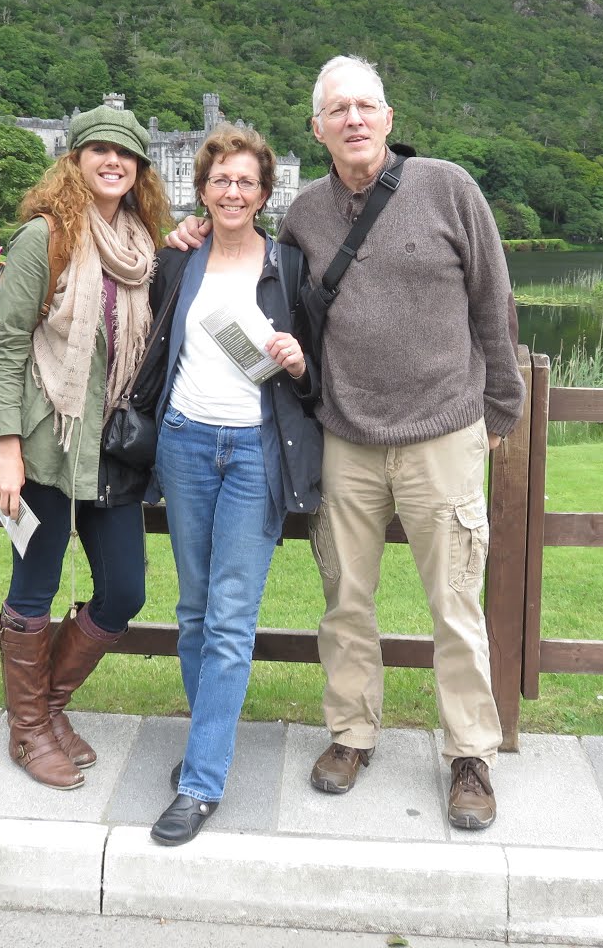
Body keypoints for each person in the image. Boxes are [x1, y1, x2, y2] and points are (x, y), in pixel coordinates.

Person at [168, 55, 525, 830]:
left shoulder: (447, 188)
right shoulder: (305, 215)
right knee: (345, 600)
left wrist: (500, 411)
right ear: (319, 128)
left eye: (366, 106)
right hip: (346, 436)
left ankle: (470, 755)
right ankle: (352, 734)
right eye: (338, 110)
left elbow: (494, 302)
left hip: (442, 429)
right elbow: (253, 260)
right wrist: (191, 231)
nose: (354, 119)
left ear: (388, 119)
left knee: (455, 604)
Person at [0, 102, 172, 790]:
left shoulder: (143, 246)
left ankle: (48, 709)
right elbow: (7, 345)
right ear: (76, 159)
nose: (113, 162)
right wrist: (7, 450)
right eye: (100, 150)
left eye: (127, 155)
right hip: (45, 444)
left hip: (111, 450)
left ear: (139, 169)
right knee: (34, 587)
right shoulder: (46, 237)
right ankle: (29, 730)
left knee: (124, 589)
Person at [141, 125, 321, 846]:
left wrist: (299, 362)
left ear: (265, 193)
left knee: (230, 617)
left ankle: (201, 781)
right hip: (184, 443)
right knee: (192, 612)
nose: (234, 192)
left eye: (247, 181)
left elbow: (316, 378)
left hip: (254, 454)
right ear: (203, 190)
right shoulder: (178, 259)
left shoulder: (289, 268)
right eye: (221, 180)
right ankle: (207, 742)